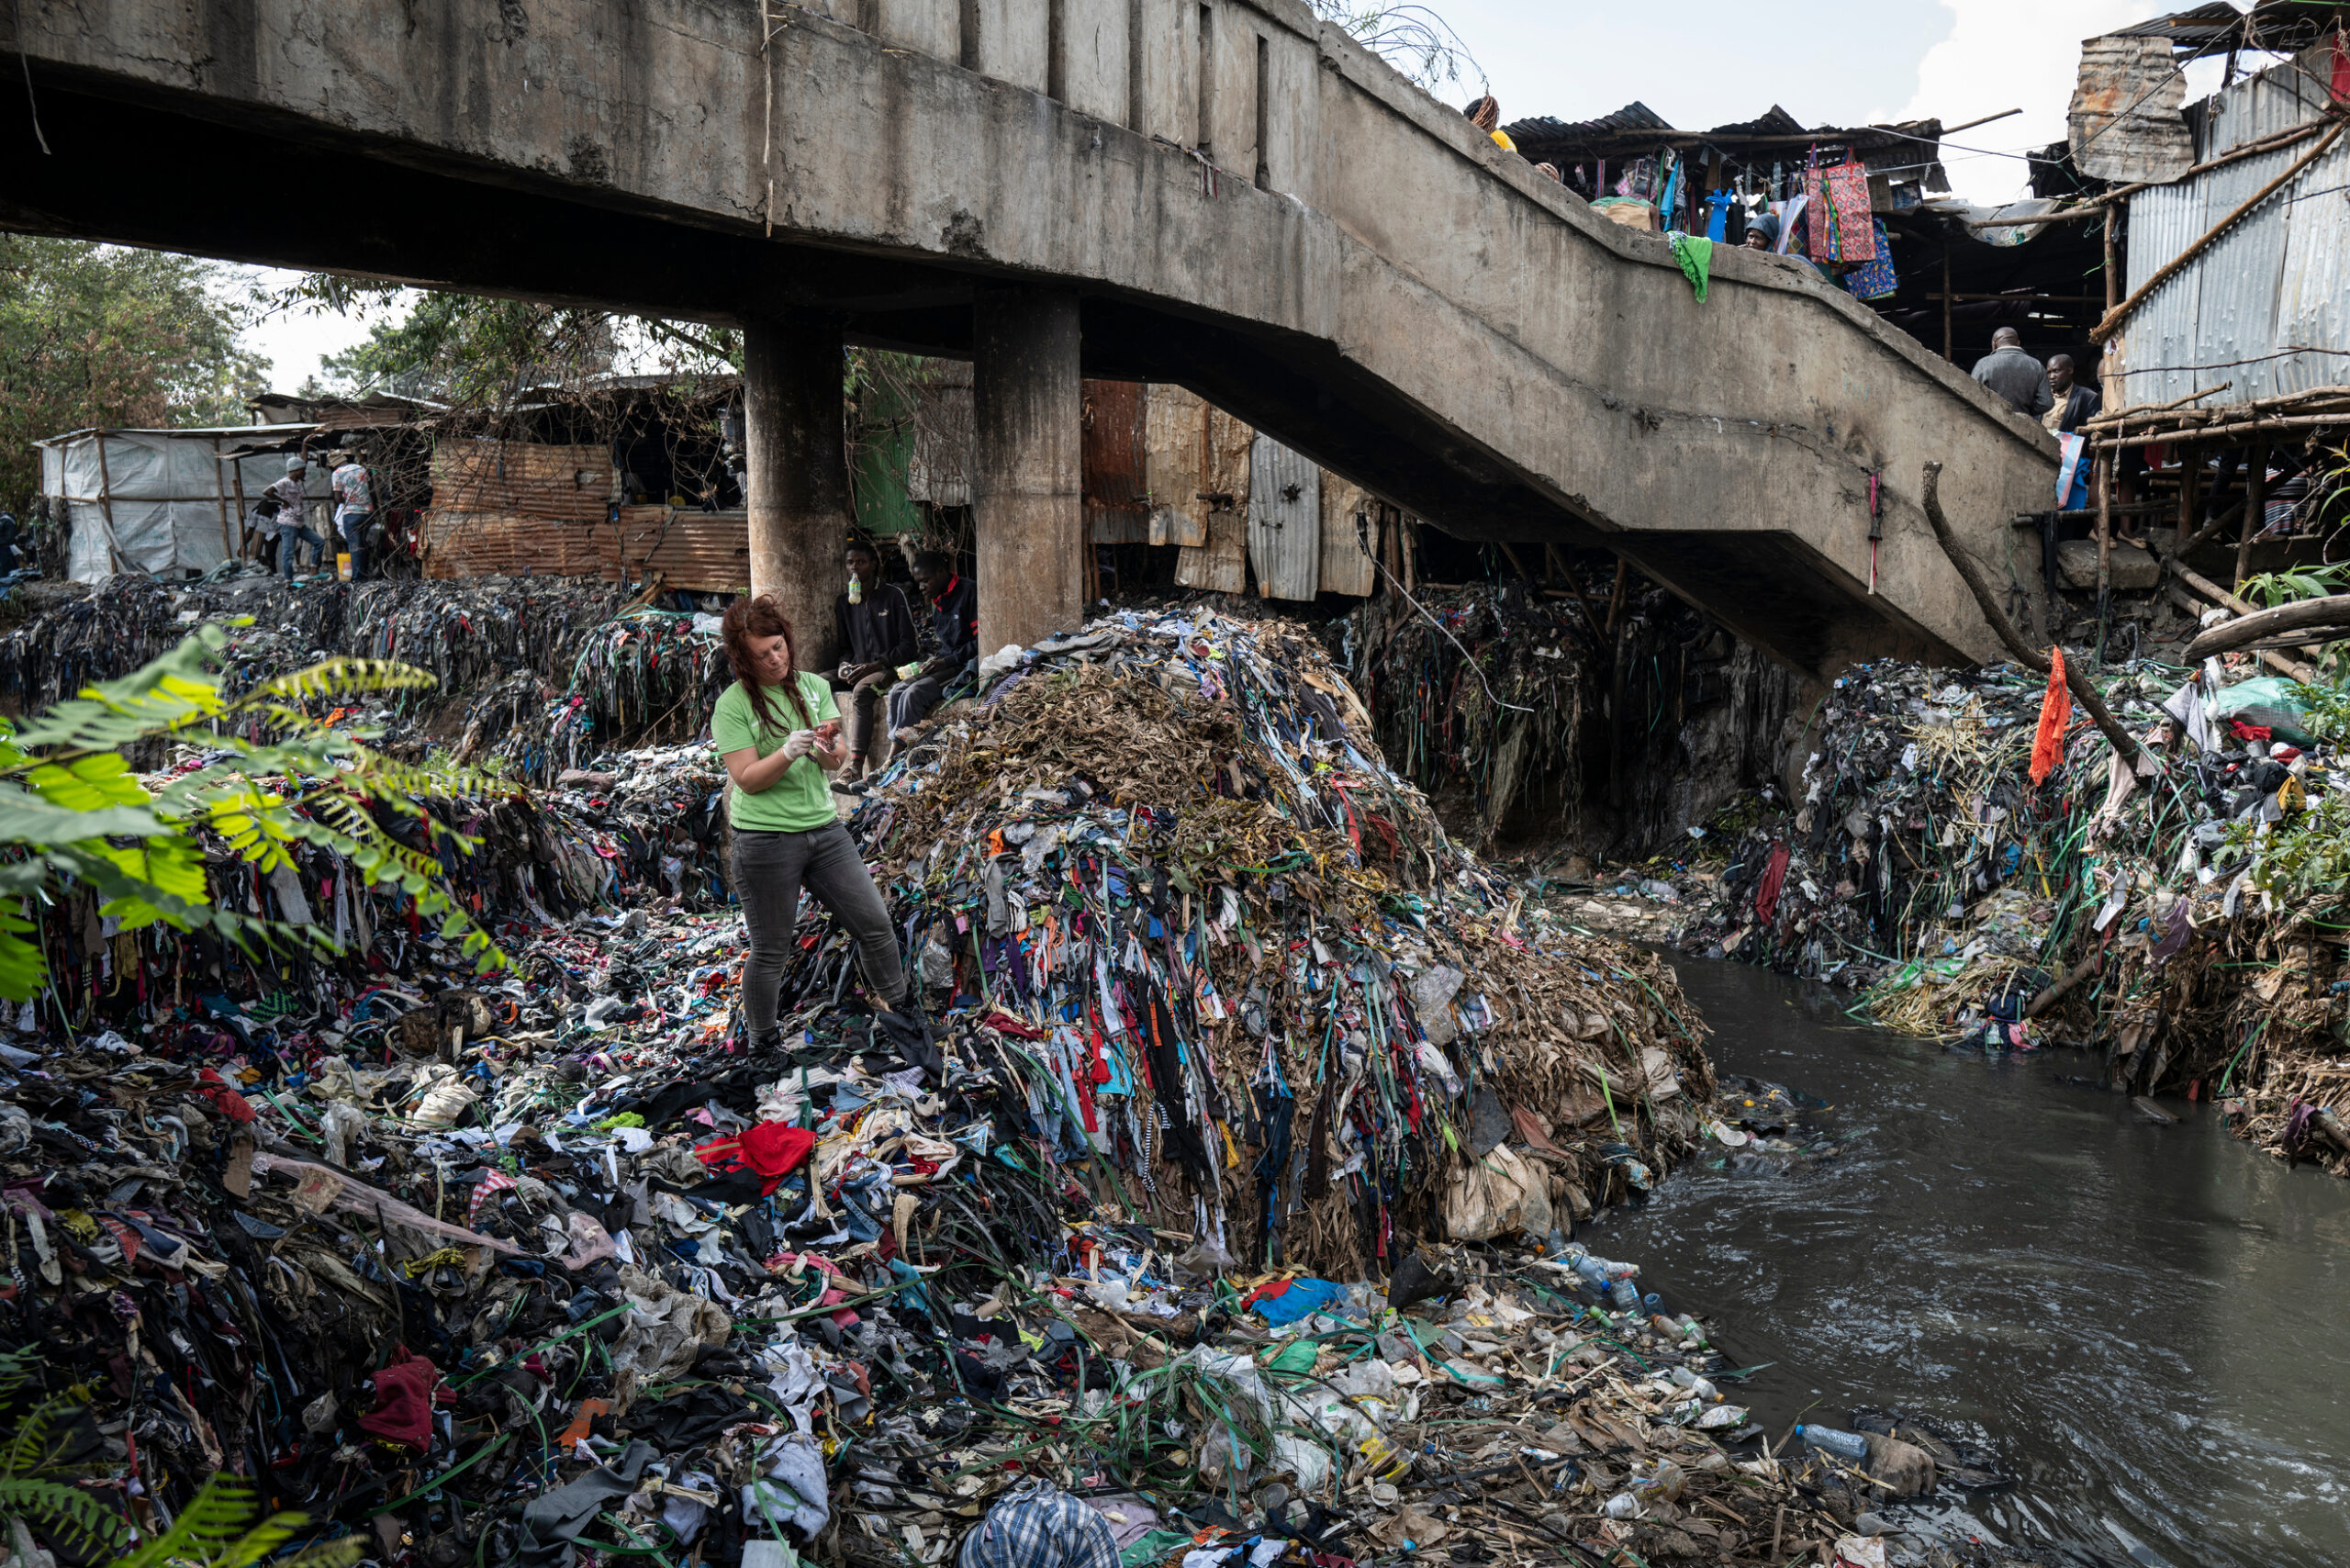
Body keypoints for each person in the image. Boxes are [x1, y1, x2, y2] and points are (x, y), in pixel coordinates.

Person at [712, 594, 912, 1047]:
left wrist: (828, 747)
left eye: (780, 646)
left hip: (823, 831)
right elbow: (747, 779)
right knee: (770, 951)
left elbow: (836, 758)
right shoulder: (733, 705)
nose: (776, 659)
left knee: (875, 925)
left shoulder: (812, 687)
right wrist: (786, 752)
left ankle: (901, 1015)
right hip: (764, 841)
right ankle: (763, 1042)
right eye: (763, 655)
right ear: (743, 659)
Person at [832, 540, 918, 787]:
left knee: (862, 691)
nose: (855, 568)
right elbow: (846, 647)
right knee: (816, 681)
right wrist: (844, 665)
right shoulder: (845, 603)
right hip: (860, 666)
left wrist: (877, 665)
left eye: (861, 562)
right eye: (850, 563)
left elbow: (909, 647)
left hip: (892, 669)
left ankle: (855, 767)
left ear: (873, 564)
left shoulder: (892, 596)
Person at [886, 551, 978, 741]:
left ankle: (899, 751)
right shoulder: (939, 601)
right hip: (945, 662)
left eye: (925, 581)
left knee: (914, 693)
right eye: (918, 582)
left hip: (963, 666)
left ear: (941, 573)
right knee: (896, 691)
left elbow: (979, 643)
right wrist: (933, 662)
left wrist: (947, 661)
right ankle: (897, 745)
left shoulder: (969, 593)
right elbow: (945, 644)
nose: (921, 587)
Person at [1972, 328, 2053, 419]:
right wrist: (2025, 410)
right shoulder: (2036, 365)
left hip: (1990, 425)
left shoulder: (1984, 364)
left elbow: (1972, 397)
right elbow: (2046, 403)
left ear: (1994, 344)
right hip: (2023, 427)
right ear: (2018, 343)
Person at [270, 456, 327, 581]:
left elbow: (302, 459)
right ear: (295, 470)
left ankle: (314, 569)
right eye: (303, 470)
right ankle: (288, 581)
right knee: (288, 553)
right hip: (288, 523)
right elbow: (267, 491)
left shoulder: (295, 483)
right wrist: (283, 501)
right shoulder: (284, 482)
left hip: (298, 523)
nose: (304, 473)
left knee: (319, 542)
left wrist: (305, 444)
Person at [330, 450, 375, 578]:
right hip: (367, 511)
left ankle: (358, 577)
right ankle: (365, 573)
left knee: (355, 546)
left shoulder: (337, 474)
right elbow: (371, 489)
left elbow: (338, 499)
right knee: (364, 544)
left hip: (351, 513)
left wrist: (349, 499)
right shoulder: (361, 468)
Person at [2042, 354, 2101, 436]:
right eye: (2049, 372)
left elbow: (2090, 434)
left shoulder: (2087, 397)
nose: (2052, 377)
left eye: (2056, 371)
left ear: (2070, 370)